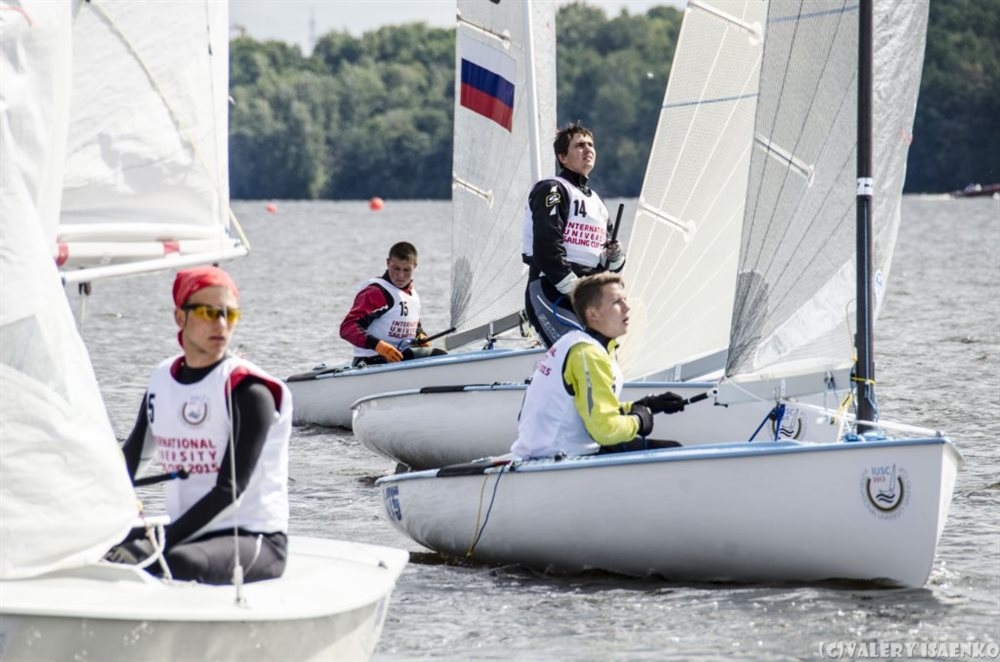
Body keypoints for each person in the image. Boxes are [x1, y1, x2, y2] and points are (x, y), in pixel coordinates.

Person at [108, 266, 291, 585]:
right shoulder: (162, 379)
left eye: (229, 314)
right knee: (100, 548)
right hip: (190, 533)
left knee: (177, 561)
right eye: (208, 312)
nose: (221, 324)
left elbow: (229, 490)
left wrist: (155, 541)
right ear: (180, 317)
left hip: (254, 539)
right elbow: (131, 461)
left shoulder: (248, 391)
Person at [510, 272, 685, 460]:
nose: (627, 307)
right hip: (554, 458)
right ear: (592, 314)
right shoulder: (588, 354)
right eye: (616, 302)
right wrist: (639, 420)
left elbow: (588, 409)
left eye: (625, 300)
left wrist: (643, 405)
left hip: (556, 451)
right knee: (673, 453)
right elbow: (605, 431)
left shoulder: (579, 343)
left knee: (671, 449)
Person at [521, 121, 626, 347]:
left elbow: (611, 266)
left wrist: (615, 255)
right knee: (580, 350)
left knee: (605, 352)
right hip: (551, 290)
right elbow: (546, 247)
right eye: (579, 145)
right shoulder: (552, 188)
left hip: (587, 295)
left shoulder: (598, 203)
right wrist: (575, 289)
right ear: (562, 157)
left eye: (590, 144)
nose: (587, 149)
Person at [340, 241, 446, 366]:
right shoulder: (377, 292)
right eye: (396, 268)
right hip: (371, 362)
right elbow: (347, 327)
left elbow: (415, 327)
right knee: (438, 355)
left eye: (406, 270)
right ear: (388, 263)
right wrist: (378, 346)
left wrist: (421, 337)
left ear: (415, 266)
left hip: (401, 359)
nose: (400, 276)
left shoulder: (413, 295)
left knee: (438, 354)